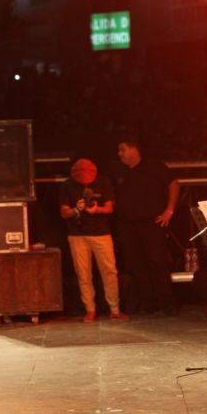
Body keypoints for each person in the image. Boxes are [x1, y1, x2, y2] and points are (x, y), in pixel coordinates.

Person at [115, 133, 180, 315]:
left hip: (152, 224)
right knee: (136, 265)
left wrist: (169, 210)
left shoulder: (154, 166)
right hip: (128, 227)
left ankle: (167, 304)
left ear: (134, 149)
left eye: (123, 150)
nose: (120, 154)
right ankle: (149, 303)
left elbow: (174, 184)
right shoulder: (120, 172)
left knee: (157, 263)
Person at [59, 158, 128, 322]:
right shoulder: (67, 186)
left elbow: (110, 208)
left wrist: (97, 209)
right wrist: (77, 209)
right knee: (83, 274)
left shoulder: (103, 181)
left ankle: (114, 309)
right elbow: (64, 213)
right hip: (77, 235)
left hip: (101, 233)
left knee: (109, 271)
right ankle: (90, 309)